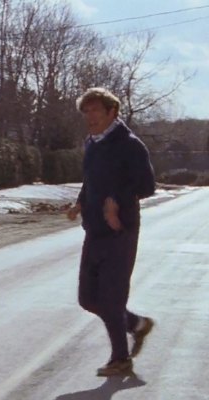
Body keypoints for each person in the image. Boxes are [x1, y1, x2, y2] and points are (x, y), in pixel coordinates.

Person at [66, 87, 156, 377]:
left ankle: (121, 359)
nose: (90, 117)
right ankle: (136, 324)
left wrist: (117, 203)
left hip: (121, 231)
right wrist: (80, 203)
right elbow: (90, 180)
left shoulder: (129, 145)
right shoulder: (92, 143)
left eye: (95, 111)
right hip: (94, 230)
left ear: (111, 112)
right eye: (86, 112)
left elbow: (147, 186)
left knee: (111, 298)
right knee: (87, 298)